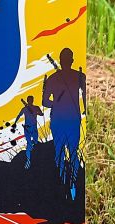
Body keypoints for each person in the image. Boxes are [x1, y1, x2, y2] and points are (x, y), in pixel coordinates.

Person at [42, 47, 86, 191]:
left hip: (62, 119)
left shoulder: (56, 78)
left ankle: (67, 184)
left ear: (61, 61)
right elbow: (44, 101)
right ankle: (69, 185)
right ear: (72, 60)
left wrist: (55, 103)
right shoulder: (79, 76)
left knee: (61, 152)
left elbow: (45, 101)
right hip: (70, 119)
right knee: (70, 152)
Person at [15, 95, 43, 169]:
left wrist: (36, 112)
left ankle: (35, 159)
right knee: (29, 144)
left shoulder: (36, 107)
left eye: (31, 99)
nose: (30, 101)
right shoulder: (24, 108)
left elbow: (42, 114)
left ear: (33, 100)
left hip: (34, 128)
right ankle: (28, 161)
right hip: (27, 128)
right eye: (29, 100)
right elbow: (19, 115)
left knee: (35, 143)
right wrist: (14, 123)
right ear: (27, 100)